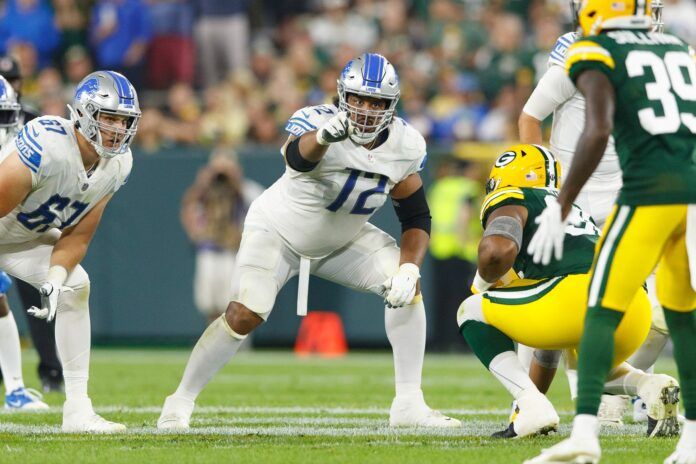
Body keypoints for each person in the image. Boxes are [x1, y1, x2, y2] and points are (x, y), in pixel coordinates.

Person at [158, 53, 460, 429]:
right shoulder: (318, 121)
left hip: (343, 242)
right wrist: (322, 138)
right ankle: (180, 400)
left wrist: (411, 266)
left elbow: (415, 214)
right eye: (359, 99)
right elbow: (296, 158)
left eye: (376, 102)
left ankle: (409, 404)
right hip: (277, 231)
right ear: (342, 95)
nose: (366, 110)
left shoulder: (405, 143)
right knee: (245, 313)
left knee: (405, 287)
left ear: (391, 105)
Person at [525, 0, 696, 462]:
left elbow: (597, 130)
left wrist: (560, 205)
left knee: (600, 308)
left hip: (646, 192)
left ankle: (586, 429)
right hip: (690, 190)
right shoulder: (678, 47)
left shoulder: (594, 49)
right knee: (682, 315)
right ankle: (694, 439)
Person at [457, 143, 676, 438]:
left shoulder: (517, 195)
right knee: (587, 364)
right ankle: (650, 385)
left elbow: (497, 250)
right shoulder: (574, 210)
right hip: (634, 307)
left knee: (470, 310)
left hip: (576, 296)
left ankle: (531, 405)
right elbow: (548, 351)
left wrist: (481, 284)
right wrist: (533, 399)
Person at [0, 70, 140, 432]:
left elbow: (77, 236)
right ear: (83, 113)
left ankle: (77, 409)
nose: (117, 129)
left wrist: (54, 278)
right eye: (109, 118)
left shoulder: (119, 163)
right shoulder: (48, 143)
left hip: (23, 238)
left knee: (76, 287)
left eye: (124, 120)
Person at [0, 55, 64, 393]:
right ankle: (10, 378)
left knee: (40, 297)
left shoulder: (34, 123)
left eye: (12, 78)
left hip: (23, 223)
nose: (8, 84)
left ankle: (51, 370)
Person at [180, 150, 263, 325]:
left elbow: (261, 208)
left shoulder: (247, 188)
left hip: (235, 252)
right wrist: (203, 181)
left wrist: (235, 180)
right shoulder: (204, 190)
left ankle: (240, 344)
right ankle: (213, 342)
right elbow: (188, 206)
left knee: (234, 300)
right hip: (208, 248)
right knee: (208, 302)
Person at [427, 157, 482, 352]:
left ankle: (440, 340)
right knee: (462, 298)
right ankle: (462, 342)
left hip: (438, 247)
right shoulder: (468, 187)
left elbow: (429, 215)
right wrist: (464, 240)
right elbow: (465, 215)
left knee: (440, 297)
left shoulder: (439, 187)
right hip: (459, 249)